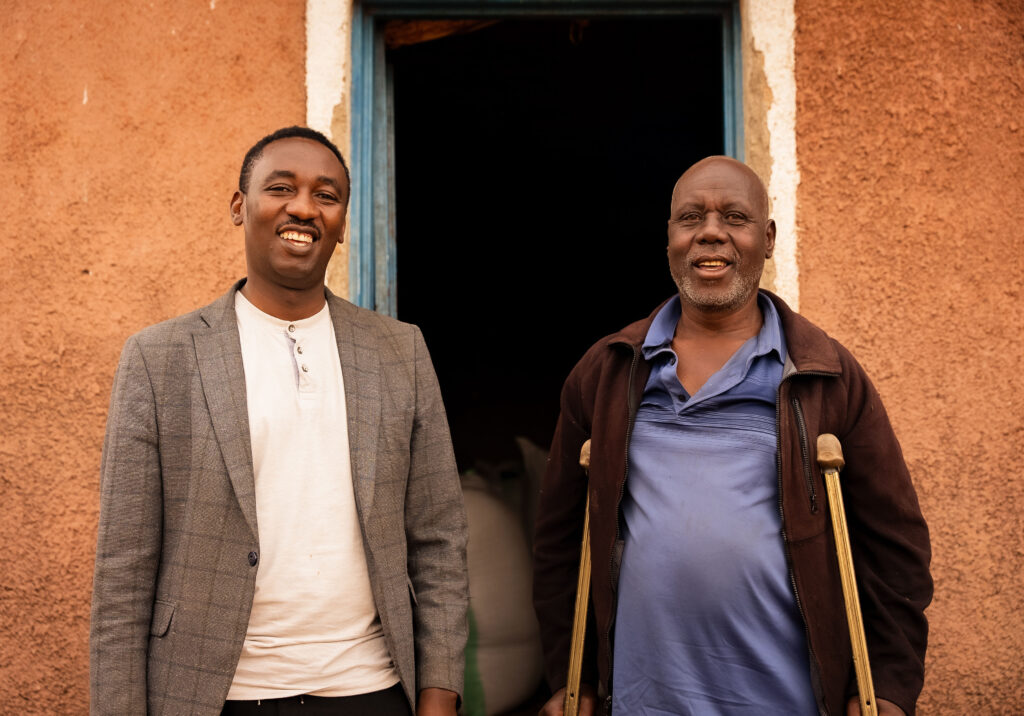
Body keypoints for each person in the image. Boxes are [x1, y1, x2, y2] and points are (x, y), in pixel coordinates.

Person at [532, 156, 932, 716]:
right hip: (643, 701)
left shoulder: (826, 374)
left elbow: (894, 548)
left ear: (767, 238)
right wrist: (565, 679)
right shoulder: (608, 371)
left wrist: (888, 689)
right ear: (670, 237)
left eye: (734, 217)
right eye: (690, 217)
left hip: (787, 700)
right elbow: (559, 542)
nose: (710, 232)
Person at [90, 126, 468, 716]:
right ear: (240, 207)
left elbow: (440, 538)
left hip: (369, 687)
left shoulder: (399, 351)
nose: (303, 208)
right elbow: (123, 573)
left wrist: (440, 692)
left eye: (327, 195)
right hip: (215, 693)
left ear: (341, 225)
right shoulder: (160, 358)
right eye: (281, 188)